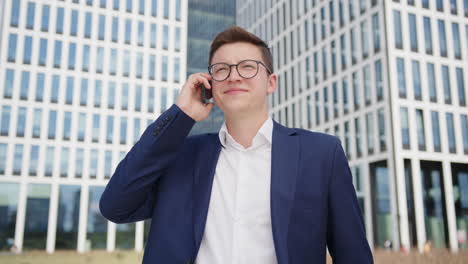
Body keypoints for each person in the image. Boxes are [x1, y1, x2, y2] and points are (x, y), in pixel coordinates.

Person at [100, 26, 373, 264]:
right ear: (210, 85)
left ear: (271, 82)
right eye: (221, 70)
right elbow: (116, 206)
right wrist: (180, 116)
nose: (233, 76)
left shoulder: (322, 154)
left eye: (247, 67)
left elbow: (353, 254)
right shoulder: (181, 154)